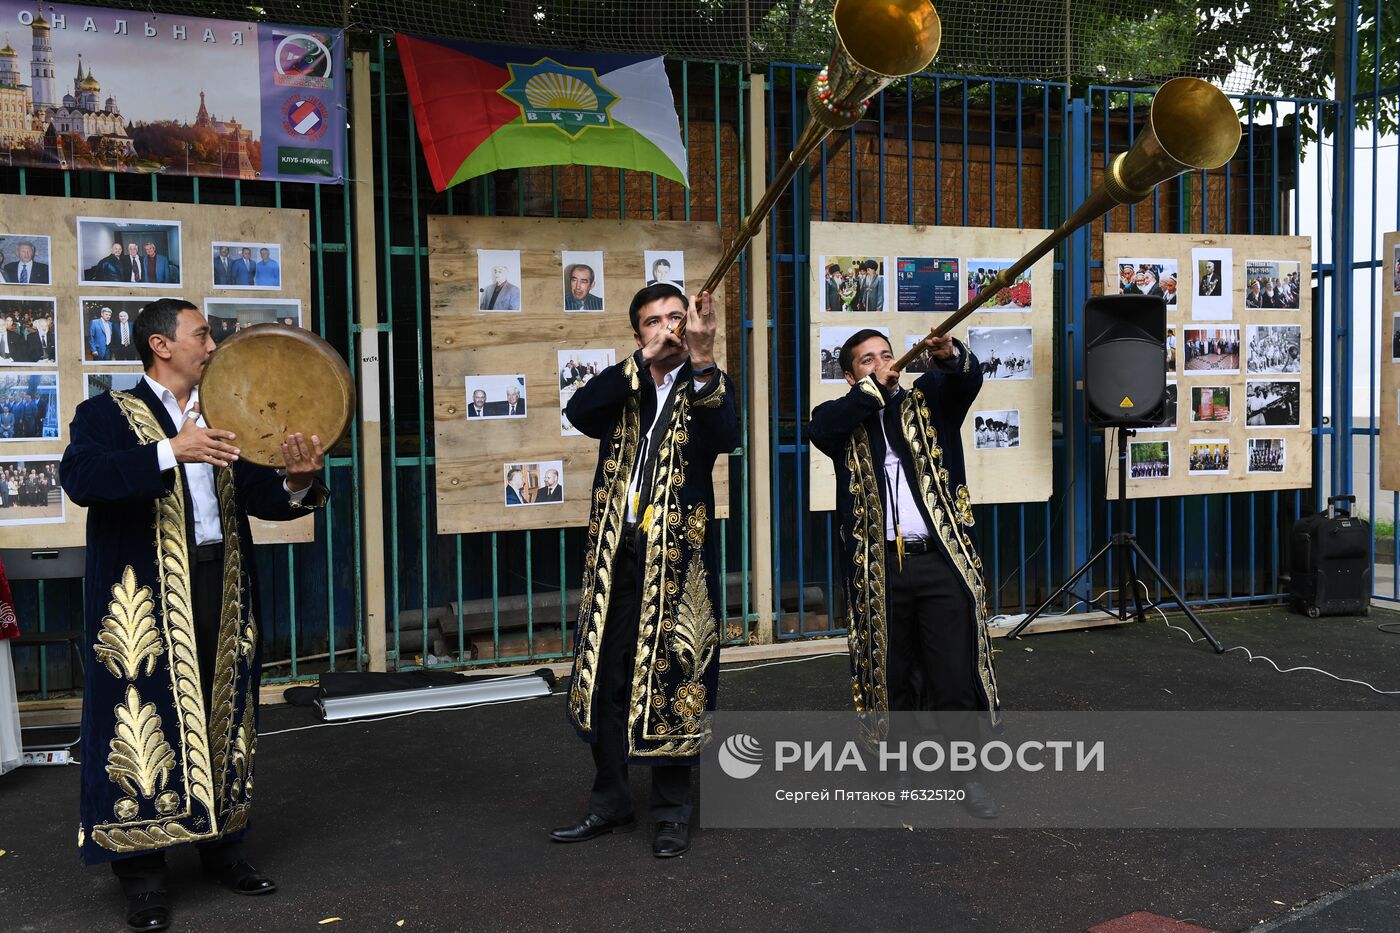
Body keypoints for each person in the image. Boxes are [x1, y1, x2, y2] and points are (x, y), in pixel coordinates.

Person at [60, 298, 328, 933]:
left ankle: (224, 849)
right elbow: (82, 478)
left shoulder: (228, 410)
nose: (213, 345)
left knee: (225, 710)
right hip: (143, 595)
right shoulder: (104, 413)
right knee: (142, 721)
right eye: (201, 334)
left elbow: (263, 495)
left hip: (222, 578)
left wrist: (295, 480)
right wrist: (167, 452)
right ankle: (145, 879)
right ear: (162, 346)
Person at [551, 283, 738, 858]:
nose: (667, 329)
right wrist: (639, 365)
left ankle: (672, 812)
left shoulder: (706, 384)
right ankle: (609, 800)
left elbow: (725, 436)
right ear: (639, 335)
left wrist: (703, 360)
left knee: (676, 679)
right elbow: (578, 411)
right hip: (617, 556)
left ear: (693, 325)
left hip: (676, 565)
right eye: (654, 322)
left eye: (676, 319)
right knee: (608, 680)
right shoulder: (625, 386)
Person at [808, 327, 1000, 820]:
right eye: (867, 359)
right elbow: (821, 429)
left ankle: (968, 773)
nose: (882, 363)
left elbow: (963, 383)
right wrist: (872, 392)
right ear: (850, 375)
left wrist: (950, 355)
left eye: (887, 355)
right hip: (879, 570)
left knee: (953, 673)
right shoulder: (842, 418)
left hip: (939, 560)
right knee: (892, 673)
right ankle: (898, 766)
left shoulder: (928, 400)